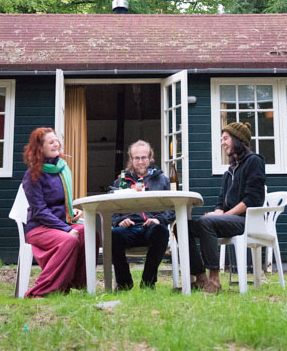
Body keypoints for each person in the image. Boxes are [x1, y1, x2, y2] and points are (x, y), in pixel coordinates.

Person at [186, 122, 265, 293]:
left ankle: (214, 281)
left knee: (206, 222)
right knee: (183, 227)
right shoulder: (229, 171)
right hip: (230, 219)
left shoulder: (254, 161)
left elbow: (252, 199)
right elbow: (221, 203)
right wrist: (217, 213)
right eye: (221, 139)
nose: (222, 143)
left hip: (247, 220)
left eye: (225, 138)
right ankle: (201, 278)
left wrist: (221, 216)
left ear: (237, 139)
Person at [21, 127, 98, 297]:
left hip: (61, 223)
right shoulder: (33, 175)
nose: (56, 144)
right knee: (69, 240)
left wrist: (72, 210)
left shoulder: (62, 168)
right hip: (39, 228)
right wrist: (66, 229)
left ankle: (74, 282)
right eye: (51, 142)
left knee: (89, 233)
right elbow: (40, 211)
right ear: (40, 148)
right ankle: (40, 291)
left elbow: (62, 201)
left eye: (56, 140)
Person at [110, 140, 175, 290]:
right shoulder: (121, 182)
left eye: (144, 157)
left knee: (161, 231)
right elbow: (110, 209)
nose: (140, 162)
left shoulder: (163, 181)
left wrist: (159, 219)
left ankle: (148, 282)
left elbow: (173, 208)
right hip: (128, 229)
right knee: (113, 235)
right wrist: (119, 221)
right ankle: (124, 283)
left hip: (151, 229)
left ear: (151, 158)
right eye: (137, 158)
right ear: (131, 159)